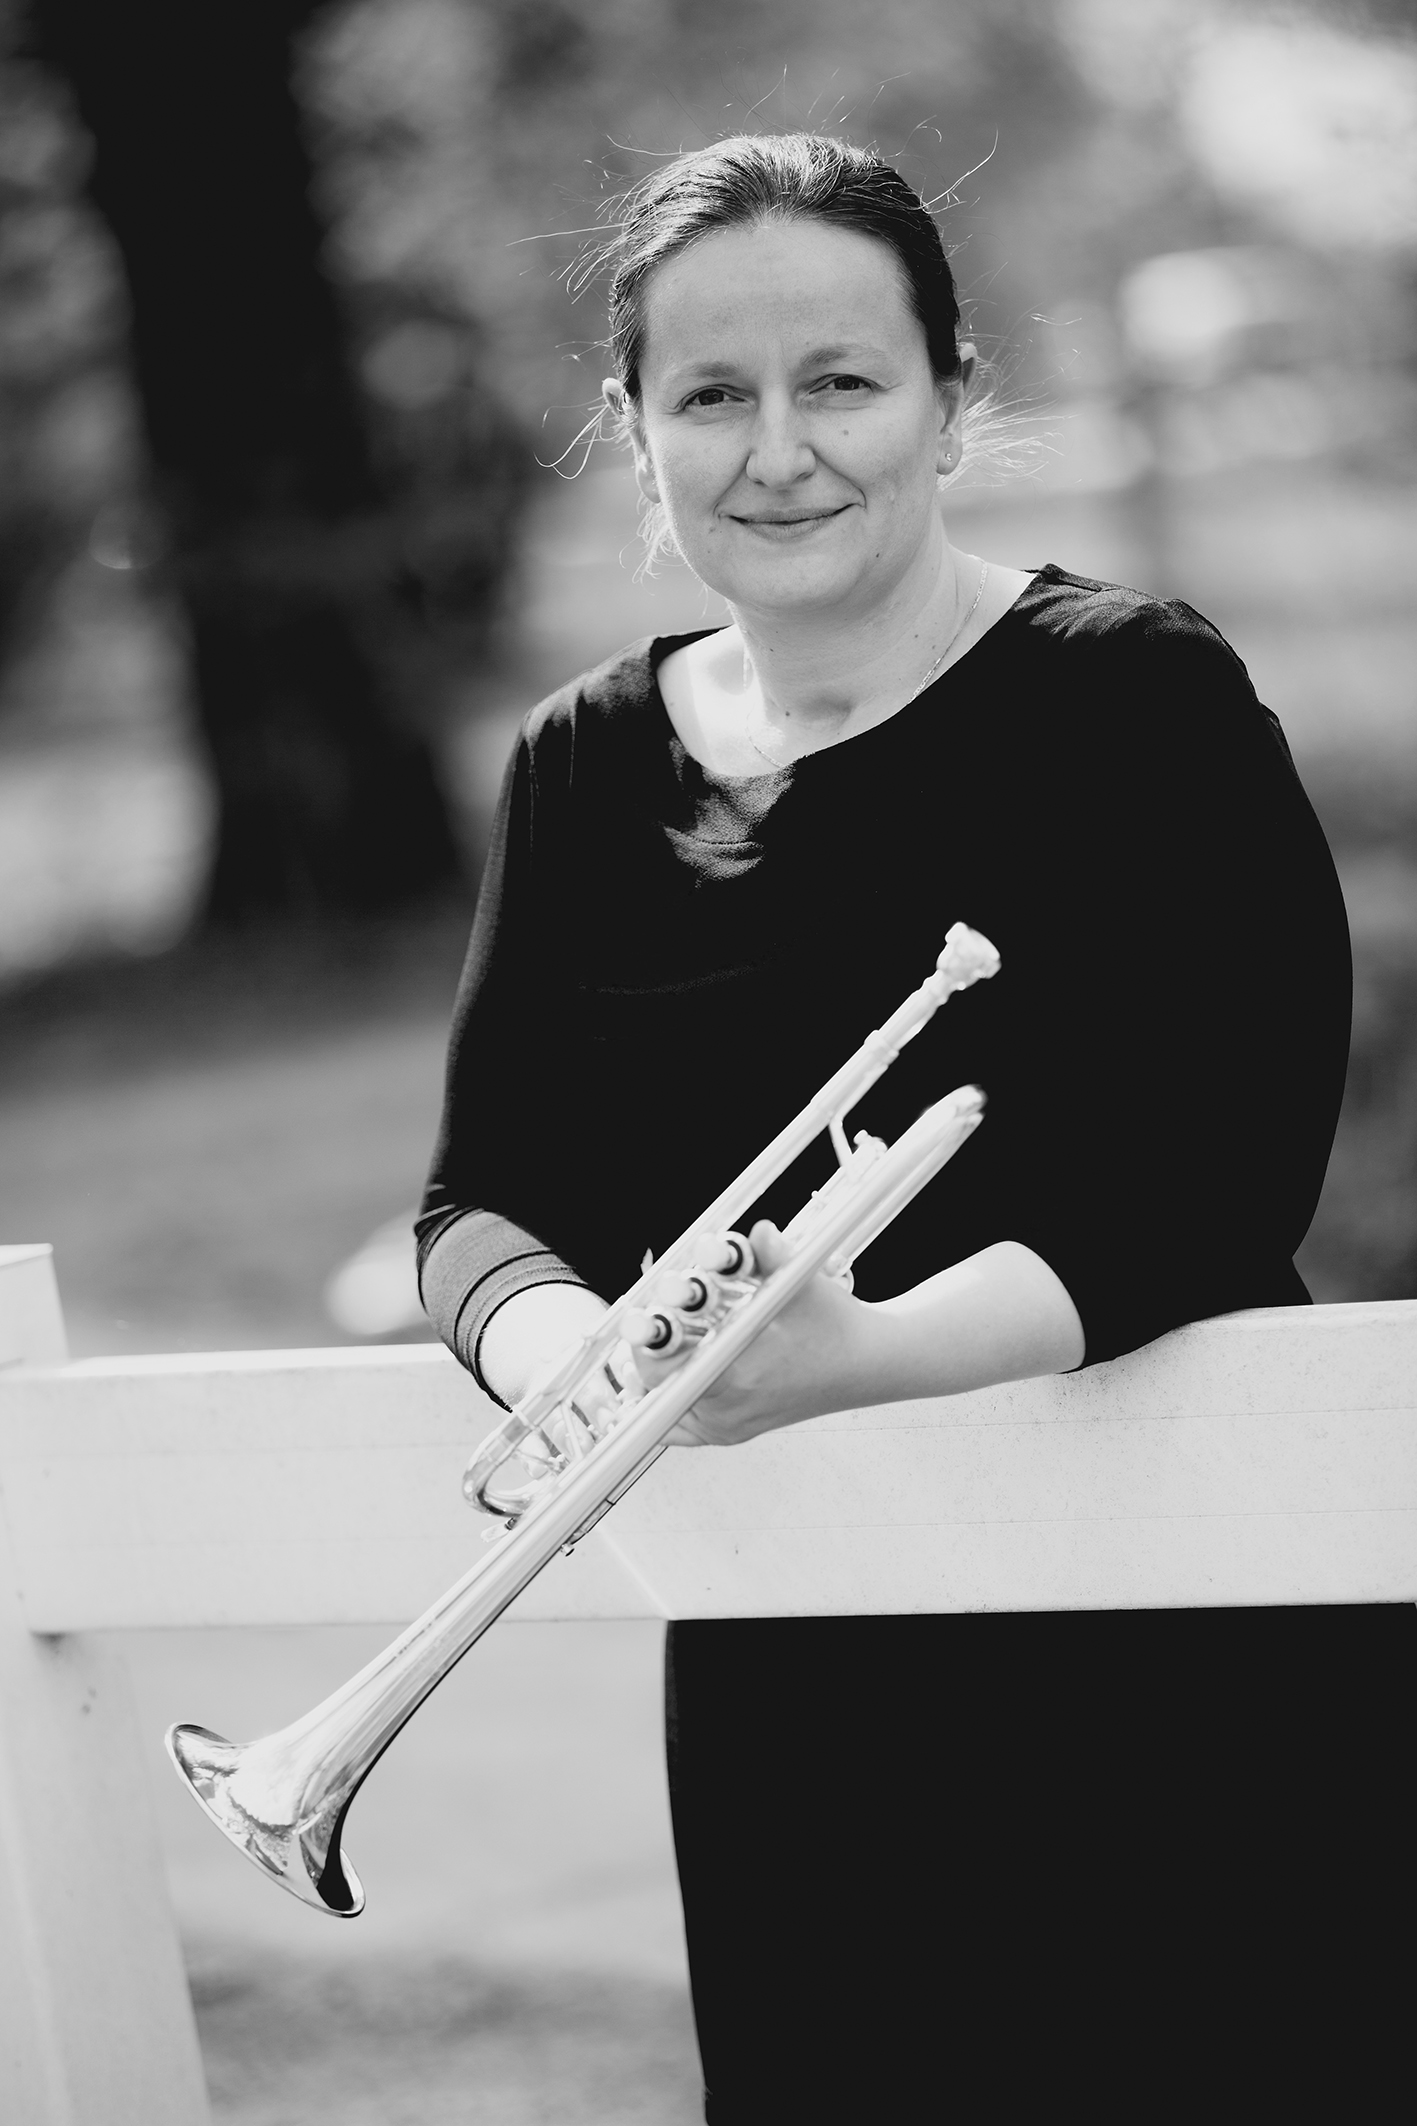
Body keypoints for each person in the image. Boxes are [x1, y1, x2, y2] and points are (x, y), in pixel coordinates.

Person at [418, 135, 1392, 2120]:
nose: (778, 450)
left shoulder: (1136, 696)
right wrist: (580, 1359)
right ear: (634, 427)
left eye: (840, 381)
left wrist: (859, 1355)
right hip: (794, 1668)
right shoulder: (580, 764)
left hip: (1174, 1623)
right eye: (712, 393)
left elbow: (1219, 1168)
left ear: (951, 398)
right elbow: (477, 1200)